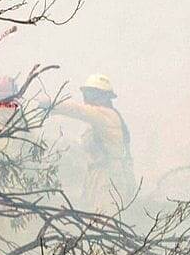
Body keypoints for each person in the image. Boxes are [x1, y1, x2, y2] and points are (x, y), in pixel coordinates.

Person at [51, 74, 137, 213]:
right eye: (85, 94)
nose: (86, 98)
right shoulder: (99, 121)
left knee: (105, 220)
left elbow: (78, 110)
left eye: (90, 94)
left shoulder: (105, 115)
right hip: (99, 178)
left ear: (103, 97)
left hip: (109, 180)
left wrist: (50, 104)